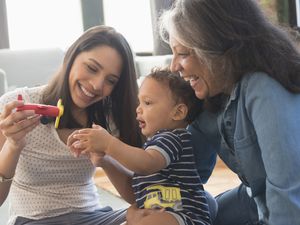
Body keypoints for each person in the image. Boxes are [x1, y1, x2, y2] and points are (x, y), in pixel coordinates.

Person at [157, 0, 300, 224]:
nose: (174, 66)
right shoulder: (210, 96)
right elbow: (176, 175)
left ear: (215, 49)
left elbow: (289, 197)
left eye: (183, 53)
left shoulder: (263, 89)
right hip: (256, 200)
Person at [0, 25, 142, 225]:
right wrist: (13, 146)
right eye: (92, 68)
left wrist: (105, 159)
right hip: (34, 219)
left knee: (157, 216)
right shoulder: (16, 105)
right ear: (71, 57)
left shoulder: (108, 117)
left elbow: (140, 197)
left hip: (93, 217)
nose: (97, 85)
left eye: (110, 81)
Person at [67, 68, 212, 225]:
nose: (138, 109)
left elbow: (146, 164)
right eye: (139, 102)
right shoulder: (153, 147)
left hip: (186, 216)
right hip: (165, 213)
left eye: (147, 102)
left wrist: (109, 143)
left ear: (178, 113)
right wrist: (104, 161)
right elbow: (134, 195)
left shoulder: (173, 138)